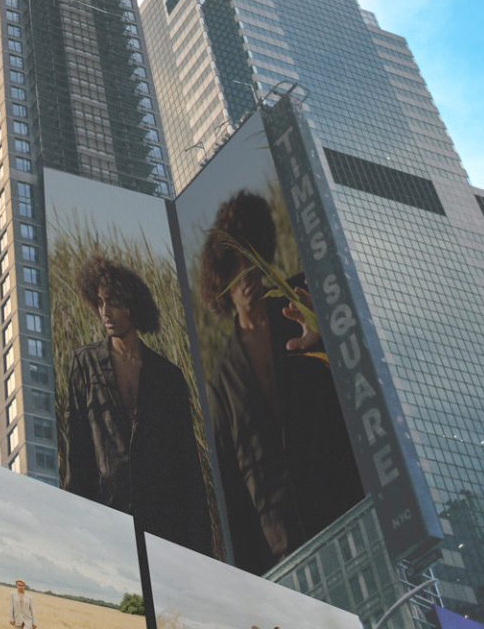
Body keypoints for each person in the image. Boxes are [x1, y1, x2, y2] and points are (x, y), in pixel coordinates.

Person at [200, 190, 364, 575]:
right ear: (220, 280)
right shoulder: (221, 381)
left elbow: (364, 381)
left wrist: (325, 339)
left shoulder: (304, 301)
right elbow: (235, 494)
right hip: (288, 554)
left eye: (249, 253)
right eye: (232, 265)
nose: (245, 274)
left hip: (348, 509)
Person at [64, 255, 212, 554]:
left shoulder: (167, 376)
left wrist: (200, 551)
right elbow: (76, 457)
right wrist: (76, 533)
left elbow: (188, 467)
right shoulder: (84, 363)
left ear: (133, 306)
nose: (105, 312)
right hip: (109, 523)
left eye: (114, 303)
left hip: (165, 527)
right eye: (101, 302)